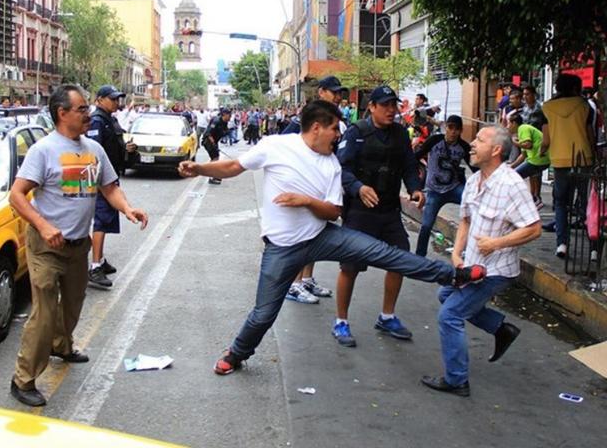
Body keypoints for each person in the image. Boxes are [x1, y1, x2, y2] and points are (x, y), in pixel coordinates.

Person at [178, 100, 487, 376]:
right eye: (334, 130)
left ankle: (453, 275)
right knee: (263, 314)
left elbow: (333, 212)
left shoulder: (330, 164)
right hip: (282, 250)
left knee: (387, 254)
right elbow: (233, 166)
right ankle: (237, 353)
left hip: (322, 236)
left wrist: (305, 201)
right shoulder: (275, 146)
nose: (338, 137)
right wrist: (200, 167)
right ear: (316, 127)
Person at [8, 84, 148, 406]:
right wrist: (43, 226)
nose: (88, 114)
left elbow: (109, 187)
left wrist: (127, 208)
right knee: (44, 313)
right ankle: (23, 379)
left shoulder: (93, 150)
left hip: (78, 246)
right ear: (62, 113)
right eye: (82, 109)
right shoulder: (43, 150)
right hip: (46, 247)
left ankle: (62, 345)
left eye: (87, 109)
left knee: (72, 306)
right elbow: (17, 195)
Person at [421, 125, 541, 397]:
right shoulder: (474, 181)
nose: (472, 144)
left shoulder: (511, 184)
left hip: (496, 270)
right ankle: (501, 328)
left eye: (479, 140)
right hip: (471, 265)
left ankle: (457, 380)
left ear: (496, 150)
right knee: (445, 296)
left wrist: (496, 243)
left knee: (450, 315)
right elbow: (465, 219)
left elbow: (533, 229)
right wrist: (456, 252)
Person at [333, 86, 425, 347]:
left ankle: (387, 316)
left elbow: (409, 166)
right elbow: (341, 168)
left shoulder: (399, 134)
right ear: (371, 106)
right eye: (384, 105)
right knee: (350, 267)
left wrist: (415, 189)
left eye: (393, 105)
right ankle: (341, 321)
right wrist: (358, 188)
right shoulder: (357, 133)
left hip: (388, 211)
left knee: (400, 260)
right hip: (360, 212)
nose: (390, 110)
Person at [282, 76, 348, 303]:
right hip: (306, 188)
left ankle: (307, 279)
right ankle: (294, 283)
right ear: (321, 92)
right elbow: (286, 146)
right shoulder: (306, 119)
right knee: (302, 237)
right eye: (334, 92)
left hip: (326, 188)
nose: (338, 96)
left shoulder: (339, 121)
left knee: (317, 233)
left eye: (339, 93)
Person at [86, 85, 138, 289]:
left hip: (111, 176)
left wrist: (126, 148)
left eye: (118, 99)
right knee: (101, 220)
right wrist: (99, 184)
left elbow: (111, 147)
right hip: (101, 181)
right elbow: (94, 153)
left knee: (106, 220)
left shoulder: (110, 119)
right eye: (113, 99)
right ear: (99, 100)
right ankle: (95, 266)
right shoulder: (97, 121)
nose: (117, 102)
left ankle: (100, 258)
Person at [541, 74, 594, 258]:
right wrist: (594, 154)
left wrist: (541, 151)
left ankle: (562, 244)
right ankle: (594, 248)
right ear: (575, 88)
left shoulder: (547, 107)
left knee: (561, 203)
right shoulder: (584, 106)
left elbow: (546, 139)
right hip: (583, 158)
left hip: (560, 159)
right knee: (587, 203)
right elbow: (589, 135)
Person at [414, 115, 476, 257]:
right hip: (434, 191)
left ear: (461, 131)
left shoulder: (463, 147)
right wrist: (416, 184)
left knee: (475, 207)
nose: (453, 132)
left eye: (456, 129)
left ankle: (472, 250)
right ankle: (419, 257)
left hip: (454, 188)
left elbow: (474, 169)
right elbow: (416, 156)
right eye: (450, 128)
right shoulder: (435, 140)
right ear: (445, 127)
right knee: (426, 225)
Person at [508, 113, 550, 209]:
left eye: (508, 124)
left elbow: (528, 145)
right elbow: (523, 155)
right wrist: (512, 166)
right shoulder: (522, 131)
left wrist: (515, 142)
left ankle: (519, 201)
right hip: (538, 159)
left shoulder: (523, 128)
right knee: (532, 175)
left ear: (514, 123)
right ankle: (535, 199)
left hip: (538, 159)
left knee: (514, 177)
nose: (507, 126)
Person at [202, 108, 232, 185]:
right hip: (208, 141)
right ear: (224, 115)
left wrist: (228, 131)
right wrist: (213, 144)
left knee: (215, 158)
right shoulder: (216, 121)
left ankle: (213, 174)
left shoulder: (224, 122)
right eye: (229, 115)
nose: (230, 117)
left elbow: (224, 131)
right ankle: (212, 176)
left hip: (215, 141)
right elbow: (209, 133)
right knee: (215, 158)